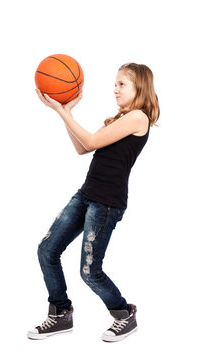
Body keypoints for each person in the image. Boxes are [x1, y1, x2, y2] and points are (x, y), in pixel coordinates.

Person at [27, 62, 160, 342]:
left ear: (140, 88)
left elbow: (88, 139)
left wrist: (62, 111)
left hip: (106, 203)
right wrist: (66, 114)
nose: (115, 89)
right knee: (46, 250)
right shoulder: (118, 119)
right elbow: (82, 146)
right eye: (115, 84)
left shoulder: (138, 118)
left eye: (122, 84)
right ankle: (61, 313)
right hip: (86, 195)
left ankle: (124, 314)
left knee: (89, 271)